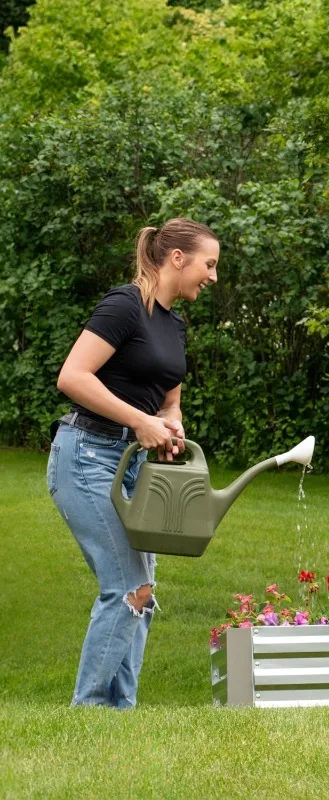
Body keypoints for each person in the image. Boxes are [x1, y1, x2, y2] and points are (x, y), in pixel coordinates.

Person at [46, 218, 219, 708]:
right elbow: (73, 376)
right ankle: (90, 709)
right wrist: (140, 421)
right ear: (177, 258)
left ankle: (120, 711)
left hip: (134, 467)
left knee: (143, 591)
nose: (213, 276)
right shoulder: (126, 305)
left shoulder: (174, 324)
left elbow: (169, 402)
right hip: (86, 456)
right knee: (128, 586)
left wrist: (170, 423)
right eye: (209, 264)